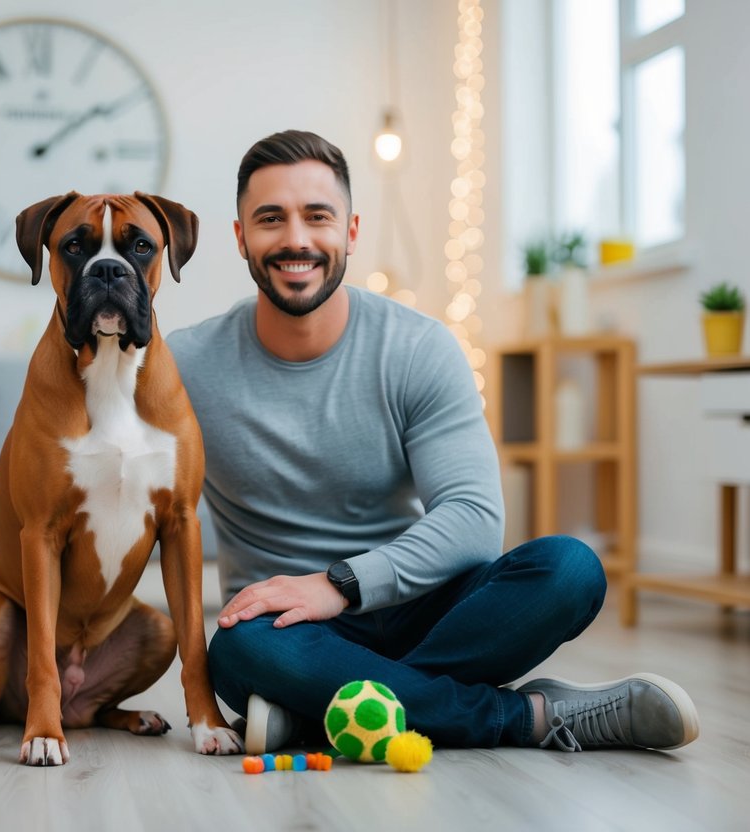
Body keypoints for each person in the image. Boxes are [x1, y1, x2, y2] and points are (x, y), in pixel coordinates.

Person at [166, 129, 699, 754]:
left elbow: (474, 519)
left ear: (352, 232)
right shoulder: (185, 365)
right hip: (286, 632)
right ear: (239, 238)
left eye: (318, 216)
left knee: (570, 569)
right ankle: (521, 717)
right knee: (236, 648)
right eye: (270, 219)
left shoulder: (417, 348)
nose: (296, 239)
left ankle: (321, 714)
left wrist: (337, 584)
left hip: (424, 607)